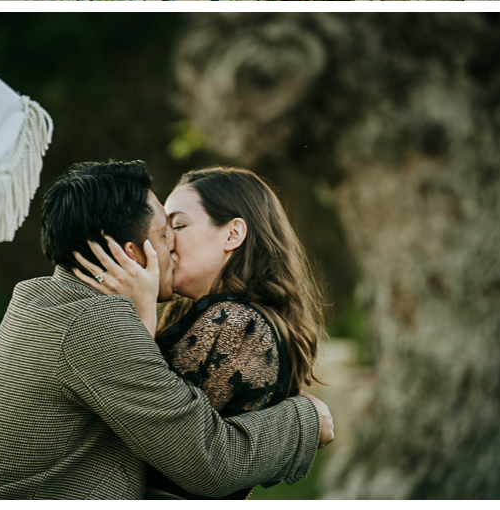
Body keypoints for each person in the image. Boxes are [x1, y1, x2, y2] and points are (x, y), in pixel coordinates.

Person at [0, 160, 333, 500]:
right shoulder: (94, 325)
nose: (172, 246)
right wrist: (306, 418)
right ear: (130, 252)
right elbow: (207, 461)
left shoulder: (45, 299)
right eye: (163, 234)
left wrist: (137, 326)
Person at [76, 164, 328, 500]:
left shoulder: (236, 323)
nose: (165, 242)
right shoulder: (208, 315)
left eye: (178, 225)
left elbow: (165, 437)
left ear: (232, 234)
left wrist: (140, 317)